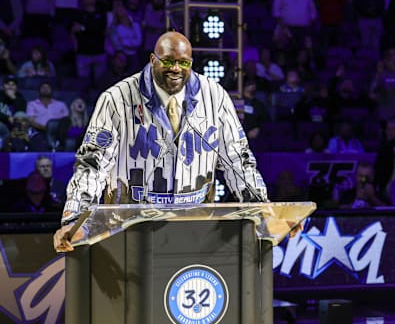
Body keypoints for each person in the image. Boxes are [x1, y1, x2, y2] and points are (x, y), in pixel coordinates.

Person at [53, 31, 269, 252]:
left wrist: (262, 211)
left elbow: (238, 160)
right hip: (129, 232)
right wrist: (75, 219)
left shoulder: (215, 96)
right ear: (153, 59)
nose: (176, 69)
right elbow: (92, 164)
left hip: (195, 232)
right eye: (168, 61)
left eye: (184, 63)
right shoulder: (116, 99)